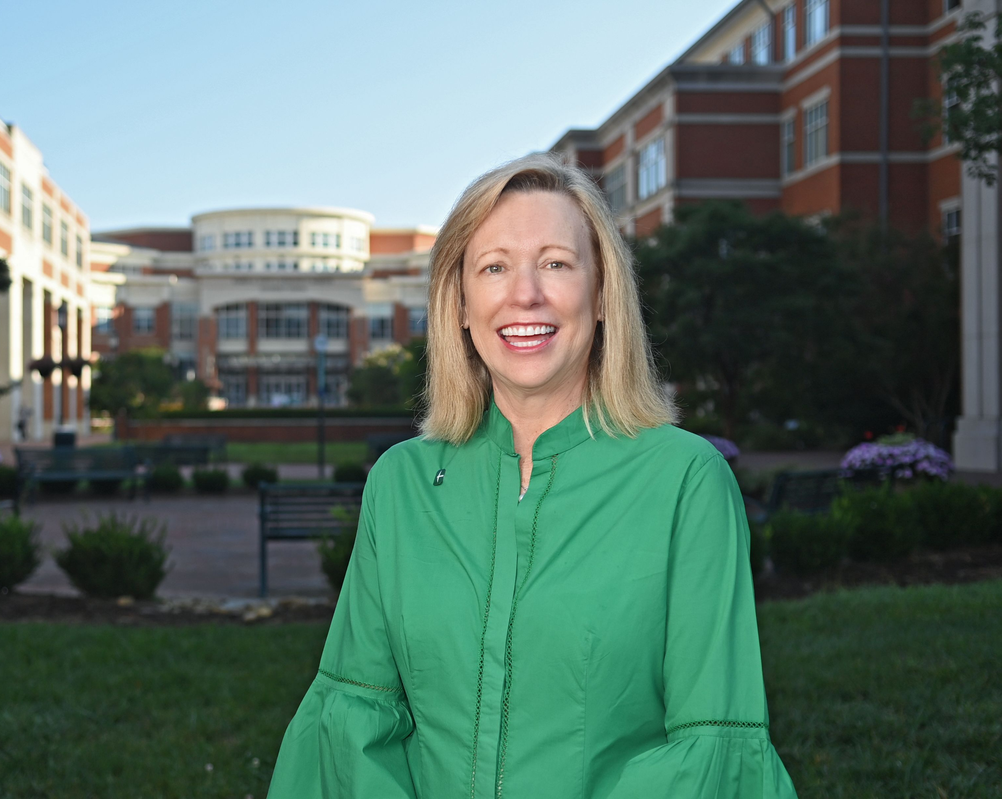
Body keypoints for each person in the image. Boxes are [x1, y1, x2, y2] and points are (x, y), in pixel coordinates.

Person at [266, 154, 798, 798]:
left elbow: (708, 743)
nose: (526, 294)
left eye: (555, 263)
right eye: (494, 267)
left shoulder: (685, 482)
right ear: (460, 304)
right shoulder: (400, 485)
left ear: (601, 296)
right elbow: (356, 725)